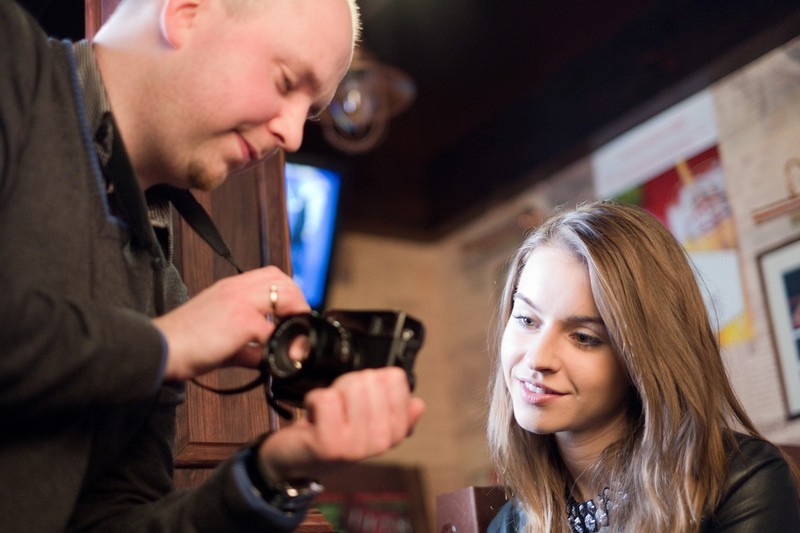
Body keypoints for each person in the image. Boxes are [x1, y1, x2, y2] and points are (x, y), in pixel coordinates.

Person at [0, 0, 425, 531]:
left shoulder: (160, 289)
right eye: (286, 80)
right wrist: (167, 344)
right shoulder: (9, 55)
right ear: (185, 11)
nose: (292, 136)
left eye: (310, 110)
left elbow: (105, 521)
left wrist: (273, 473)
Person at [486, 201, 800, 532]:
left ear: (646, 357)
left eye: (583, 337)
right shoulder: (507, 525)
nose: (536, 359)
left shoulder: (744, 484)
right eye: (525, 319)